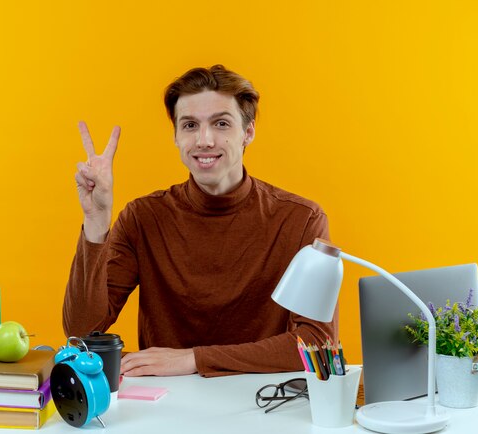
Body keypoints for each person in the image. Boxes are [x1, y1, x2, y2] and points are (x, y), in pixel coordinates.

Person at [63, 65, 338, 377]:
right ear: (177, 137)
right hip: (168, 404)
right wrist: (96, 221)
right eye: (190, 125)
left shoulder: (302, 220)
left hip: (265, 400)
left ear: (248, 132)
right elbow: (81, 331)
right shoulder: (143, 217)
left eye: (221, 124)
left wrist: (194, 359)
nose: (204, 140)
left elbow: (317, 343)